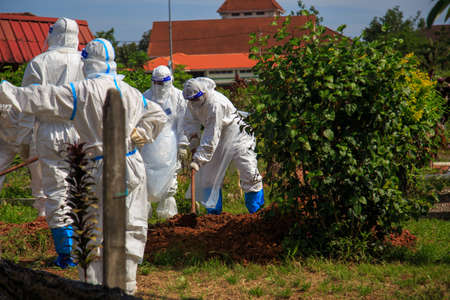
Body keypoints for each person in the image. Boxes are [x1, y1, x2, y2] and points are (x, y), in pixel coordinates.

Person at [0, 38, 168, 295]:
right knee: (131, 226)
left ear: (87, 62)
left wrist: (7, 90)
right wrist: (141, 133)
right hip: (131, 164)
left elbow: (41, 96)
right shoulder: (131, 91)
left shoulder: (82, 91)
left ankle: (92, 289)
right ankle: (127, 289)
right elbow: (157, 114)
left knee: (92, 230)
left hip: (97, 167)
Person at [21, 17, 85, 268]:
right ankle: (85, 247)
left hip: (48, 131)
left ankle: (66, 252)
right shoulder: (85, 61)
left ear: (52, 34)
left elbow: (26, 103)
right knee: (82, 186)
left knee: (56, 190)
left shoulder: (38, 62)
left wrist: (24, 137)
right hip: (80, 129)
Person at [182, 77, 264, 214]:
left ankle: (256, 212)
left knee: (248, 170)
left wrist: (199, 159)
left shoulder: (215, 104)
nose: (193, 102)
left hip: (237, 135)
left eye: (196, 99)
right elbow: (190, 122)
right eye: (191, 100)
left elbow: (211, 133)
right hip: (217, 138)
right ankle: (213, 215)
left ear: (203, 93)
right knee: (209, 176)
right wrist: (194, 139)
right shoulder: (192, 102)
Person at [141, 65, 188, 218]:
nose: (159, 87)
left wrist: (182, 145)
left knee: (170, 178)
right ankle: (144, 214)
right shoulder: (146, 96)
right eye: (156, 83)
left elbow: (184, 123)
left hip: (171, 144)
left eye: (162, 83)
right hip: (150, 144)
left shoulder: (179, 97)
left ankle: (167, 215)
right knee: (146, 177)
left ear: (169, 81)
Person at [0, 111, 45, 216]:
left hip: (30, 136)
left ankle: (44, 214)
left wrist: (25, 142)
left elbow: (28, 115)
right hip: (4, 137)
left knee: (39, 176)